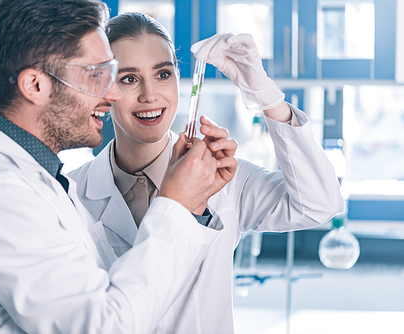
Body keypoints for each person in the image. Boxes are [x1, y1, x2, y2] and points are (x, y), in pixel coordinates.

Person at [0, 1, 238, 333]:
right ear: (35, 86)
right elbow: (104, 327)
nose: (113, 93)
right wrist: (178, 205)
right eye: (96, 75)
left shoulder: (35, 177)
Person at [69, 12, 345, 334]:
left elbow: (320, 203)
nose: (150, 95)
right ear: (104, 88)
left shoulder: (222, 175)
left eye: (163, 74)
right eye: (128, 78)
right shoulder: (73, 195)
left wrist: (267, 96)